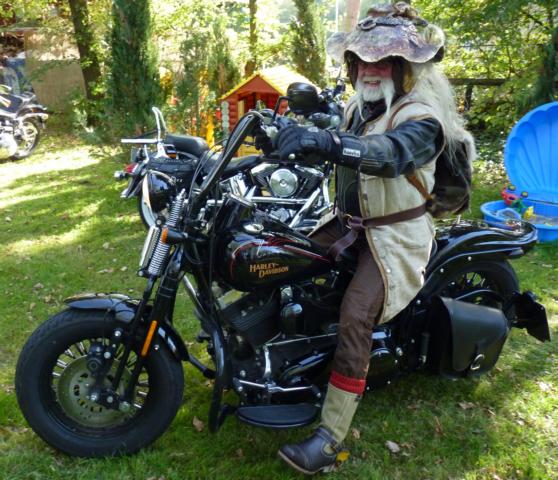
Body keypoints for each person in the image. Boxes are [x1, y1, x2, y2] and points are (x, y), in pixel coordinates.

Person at [273, 2, 475, 475]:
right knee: (282, 260)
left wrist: (329, 144)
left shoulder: (421, 118)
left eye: (383, 61)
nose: (370, 68)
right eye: (362, 59)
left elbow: (388, 154)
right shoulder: (360, 107)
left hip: (395, 234)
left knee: (355, 314)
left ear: (403, 69)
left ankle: (329, 436)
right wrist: (288, 135)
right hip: (349, 224)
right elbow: (336, 132)